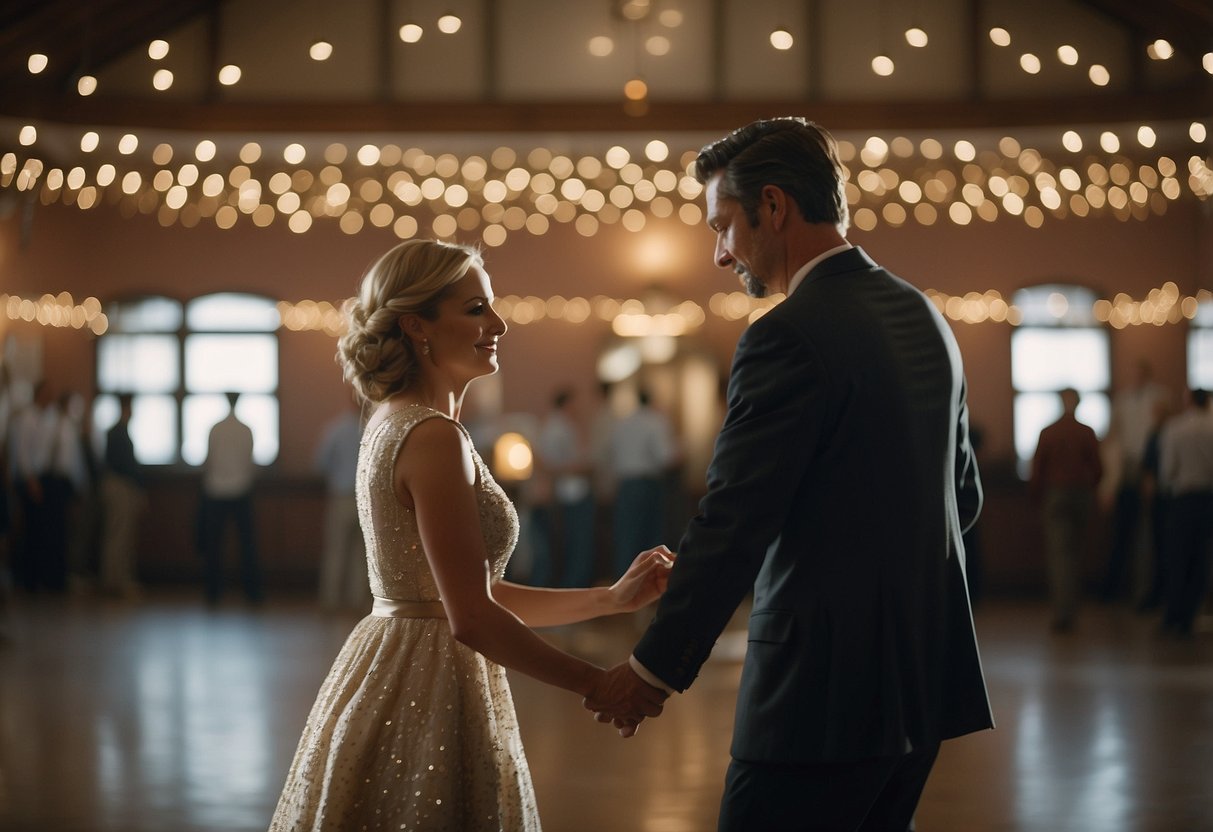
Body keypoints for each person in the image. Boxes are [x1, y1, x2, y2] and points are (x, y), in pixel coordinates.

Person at [584, 118, 993, 831]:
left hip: (820, 694)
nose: (717, 253)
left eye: (723, 225)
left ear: (772, 207)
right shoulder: (923, 314)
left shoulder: (785, 334)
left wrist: (651, 670)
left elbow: (735, 520)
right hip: (923, 682)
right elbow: (962, 496)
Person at [268, 238, 673, 831]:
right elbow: (470, 616)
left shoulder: (392, 421)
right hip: (428, 683)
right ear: (417, 325)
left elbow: (470, 593)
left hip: (395, 658)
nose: (499, 323)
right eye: (476, 309)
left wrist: (608, 599)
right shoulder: (432, 436)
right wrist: (598, 686)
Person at [1029, 388, 1104, 632]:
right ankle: (1070, 609)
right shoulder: (1086, 432)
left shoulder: (1049, 432)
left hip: (1055, 494)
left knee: (1059, 555)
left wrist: (1037, 497)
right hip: (1081, 495)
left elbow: (1037, 468)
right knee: (1075, 553)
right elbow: (1098, 468)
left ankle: (1063, 612)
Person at [1102, 360, 1169, 601]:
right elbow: (1115, 434)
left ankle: (1149, 590)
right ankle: (1117, 589)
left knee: (1150, 534)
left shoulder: (1159, 395)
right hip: (1128, 467)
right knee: (1124, 531)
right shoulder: (1123, 399)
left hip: (1151, 465)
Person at [1157, 388, 1213, 638]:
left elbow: (1167, 470)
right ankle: (1190, 613)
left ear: (1188, 401)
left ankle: (1175, 614)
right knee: (1201, 558)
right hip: (1208, 499)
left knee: (1178, 557)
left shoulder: (1176, 428)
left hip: (1182, 498)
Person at [198, 391, 263, 606]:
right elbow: (250, 462)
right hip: (241, 490)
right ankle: (252, 593)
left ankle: (213, 593)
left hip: (216, 490)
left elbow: (208, 460)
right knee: (247, 545)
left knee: (215, 545)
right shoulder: (246, 430)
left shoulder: (215, 428)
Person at [608, 388, 677, 577]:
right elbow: (666, 457)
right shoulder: (655, 421)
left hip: (625, 484)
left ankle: (621, 589)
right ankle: (647, 588)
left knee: (626, 536)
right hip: (647, 484)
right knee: (650, 539)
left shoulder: (622, 423)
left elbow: (613, 454)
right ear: (652, 400)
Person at [536, 387, 595, 587]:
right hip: (571, 491)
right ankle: (574, 584)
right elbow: (550, 465)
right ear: (566, 403)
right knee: (577, 542)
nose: (578, 407)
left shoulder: (563, 425)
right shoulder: (556, 428)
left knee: (577, 541)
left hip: (574, 489)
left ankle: (575, 582)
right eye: (574, 402)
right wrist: (581, 468)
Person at [313, 395, 367, 610]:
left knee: (336, 550)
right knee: (361, 554)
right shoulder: (371, 429)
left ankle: (330, 600)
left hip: (341, 496)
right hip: (365, 499)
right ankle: (358, 601)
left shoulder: (335, 429)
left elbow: (320, 463)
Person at [99, 393, 146, 597]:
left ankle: (116, 580)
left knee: (119, 534)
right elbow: (123, 464)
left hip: (120, 485)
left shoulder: (118, 431)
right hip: (120, 486)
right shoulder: (117, 432)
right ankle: (114, 582)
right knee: (118, 535)